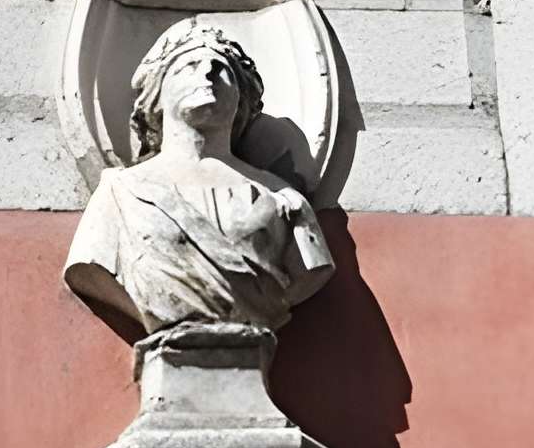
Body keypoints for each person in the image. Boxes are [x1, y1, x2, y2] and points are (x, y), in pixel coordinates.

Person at [66, 18, 334, 340]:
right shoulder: (120, 194)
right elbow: (88, 266)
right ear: (156, 97)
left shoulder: (282, 200)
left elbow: (312, 269)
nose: (207, 74)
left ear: (242, 100)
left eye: (221, 70)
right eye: (188, 67)